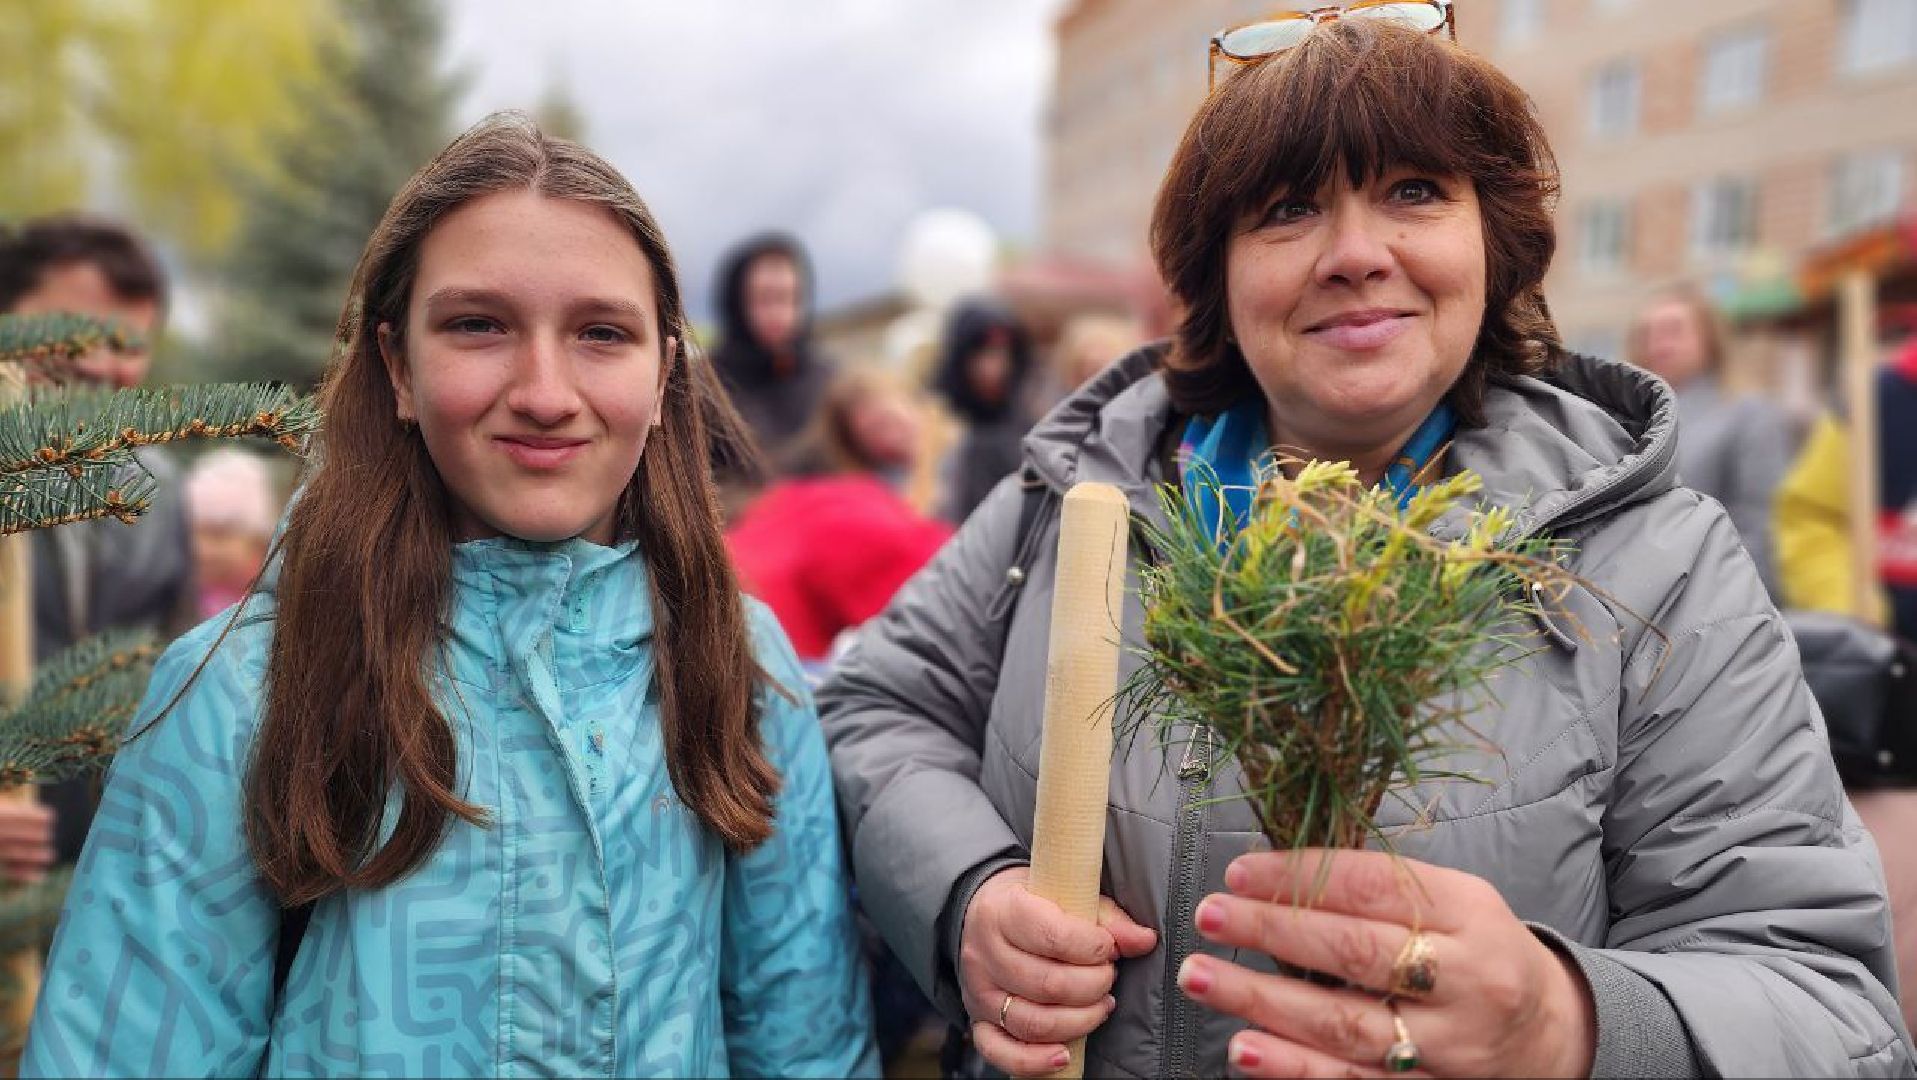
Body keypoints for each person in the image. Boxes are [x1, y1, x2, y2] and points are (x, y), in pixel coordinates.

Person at [819, 14, 1909, 1080]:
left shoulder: (1651, 560)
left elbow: (1825, 1002)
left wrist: (1567, 1027)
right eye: (1289, 209)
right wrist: (969, 893)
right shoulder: (1081, 493)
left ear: (1494, 237)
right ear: (1220, 272)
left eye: (1414, 191)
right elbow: (877, 709)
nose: (1354, 254)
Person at [23, 113, 877, 1078]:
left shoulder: (742, 666)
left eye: (602, 333)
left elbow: (803, 1044)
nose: (545, 391)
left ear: (664, 369)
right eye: (479, 325)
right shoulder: (242, 690)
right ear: (397, 366)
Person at [0, 214, 194, 877]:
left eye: (130, 344)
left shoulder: (161, 491)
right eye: (80, 333)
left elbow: (187, 678)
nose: (105, 367)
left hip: (109, 882)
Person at [728, 368, 952, 668]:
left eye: (891, 420)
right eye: (875, 430)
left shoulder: (822, 502)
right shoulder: (849, 507)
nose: (889, 438)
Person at [1628, 283, 1800, 594]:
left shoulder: (1749, 414)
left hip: (1712, 598)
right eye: (1648, 333)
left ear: (1709, 340)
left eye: (1673, 330)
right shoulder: (1623, 420)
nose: (1658, 344)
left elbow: (1761, 526)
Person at [709, 232, 833, 471]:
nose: (778, 313)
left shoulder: (827, 381)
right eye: (764, 298)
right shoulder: (705, 385)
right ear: (737, 301)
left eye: (788, 298)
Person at [932, 298, 1036, 524]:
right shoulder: (941, 424)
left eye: (1002, 352)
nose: (993, 367)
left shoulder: (1026, 417)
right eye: (982, 353)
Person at [182, 447, 281, 620]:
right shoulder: (186, 595)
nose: (200, 549)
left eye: (218, 535)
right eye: (192, 533)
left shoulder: (271, 604)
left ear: (257, 539)